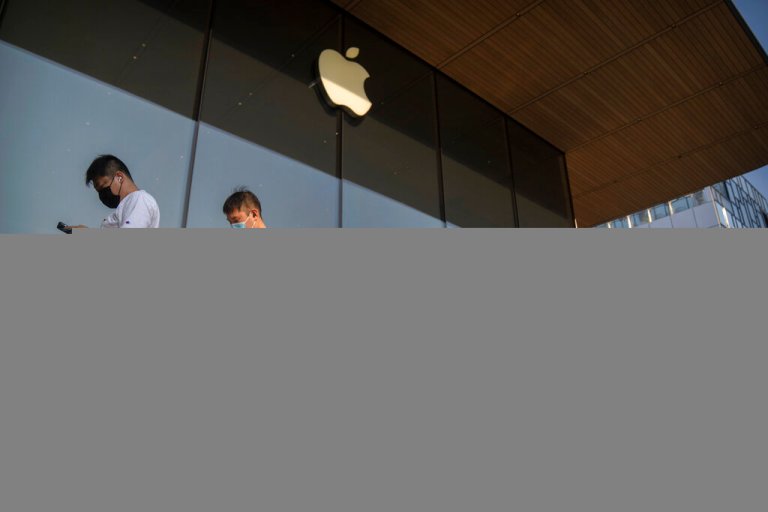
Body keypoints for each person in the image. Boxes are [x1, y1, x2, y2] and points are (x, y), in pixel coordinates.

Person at [66, 155, 160, 229]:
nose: (102, 194)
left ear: (119, 177)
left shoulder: (139, 199)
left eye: (103, 187)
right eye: (98, 191)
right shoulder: (128, 205)